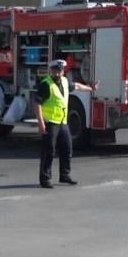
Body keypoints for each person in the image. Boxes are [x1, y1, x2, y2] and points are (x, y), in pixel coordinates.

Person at [34, 59, 98, 189]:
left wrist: (91, 89)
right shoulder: (46, 84)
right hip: (50, 123)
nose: (57, 73)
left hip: (62, 123)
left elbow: (77, 86)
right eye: (55, 71)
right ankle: (45, 179)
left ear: (63, 71)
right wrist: (41, 123)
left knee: (67, 148)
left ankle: (64, 175)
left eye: (60, 71)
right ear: (51, 71)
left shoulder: (64, 82)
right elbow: (37, 104)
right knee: (49, 151)